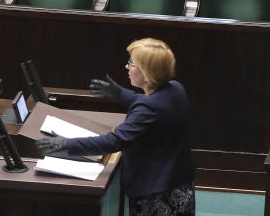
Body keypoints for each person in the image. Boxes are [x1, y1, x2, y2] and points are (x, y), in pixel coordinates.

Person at [37, 38, 195, 216]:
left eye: (132, 63)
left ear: (147, 72)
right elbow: (148, 102)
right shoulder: (176, 89)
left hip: (156, 192)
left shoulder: (148, 109)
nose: (127, 67)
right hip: (179, 182)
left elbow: (114, 141)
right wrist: (119, 94)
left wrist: (67, 145)